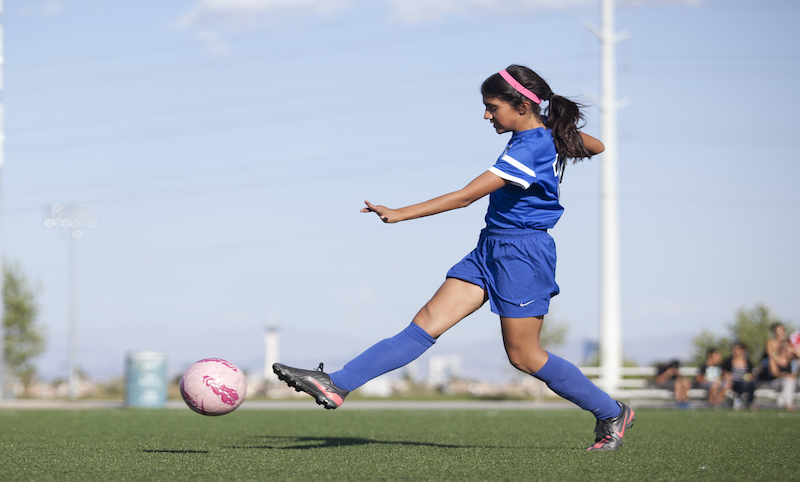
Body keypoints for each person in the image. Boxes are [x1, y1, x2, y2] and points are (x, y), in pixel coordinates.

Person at [273, 65, 635, 451]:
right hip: (491, 247)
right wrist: (554, 131)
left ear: (521, 104)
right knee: (423, 326)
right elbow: (595, 146)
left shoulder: (530, 146)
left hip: (523, 255)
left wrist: (398, 213)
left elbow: (465, 197)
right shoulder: (535, 137)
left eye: (492, 107)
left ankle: (611, 411)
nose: (486, 115)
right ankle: (337, 384)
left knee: (525, 357)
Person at [756, 341, 797, 411]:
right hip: (774, 382)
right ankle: (787, 403)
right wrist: (785, 375)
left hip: (788, 382)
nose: (784, 350)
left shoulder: (789, 359)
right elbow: (775, 373)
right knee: (788, 381)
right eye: (782, 348)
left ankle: (782, 402)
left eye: (786, 348)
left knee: (790, 381)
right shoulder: (773, 358)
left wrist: (792, 349)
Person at [720, 341, 757, 411]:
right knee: (741, 385)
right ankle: (737, 400)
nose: (735, 351)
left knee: (752, 384)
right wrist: (726, 375)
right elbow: (723, 372)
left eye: (737, 349)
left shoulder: (747, 362)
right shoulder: (728, 361)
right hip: (733, 382)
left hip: (743, 381)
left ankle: (750, 402)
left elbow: (750, 373)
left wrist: (750, 377)